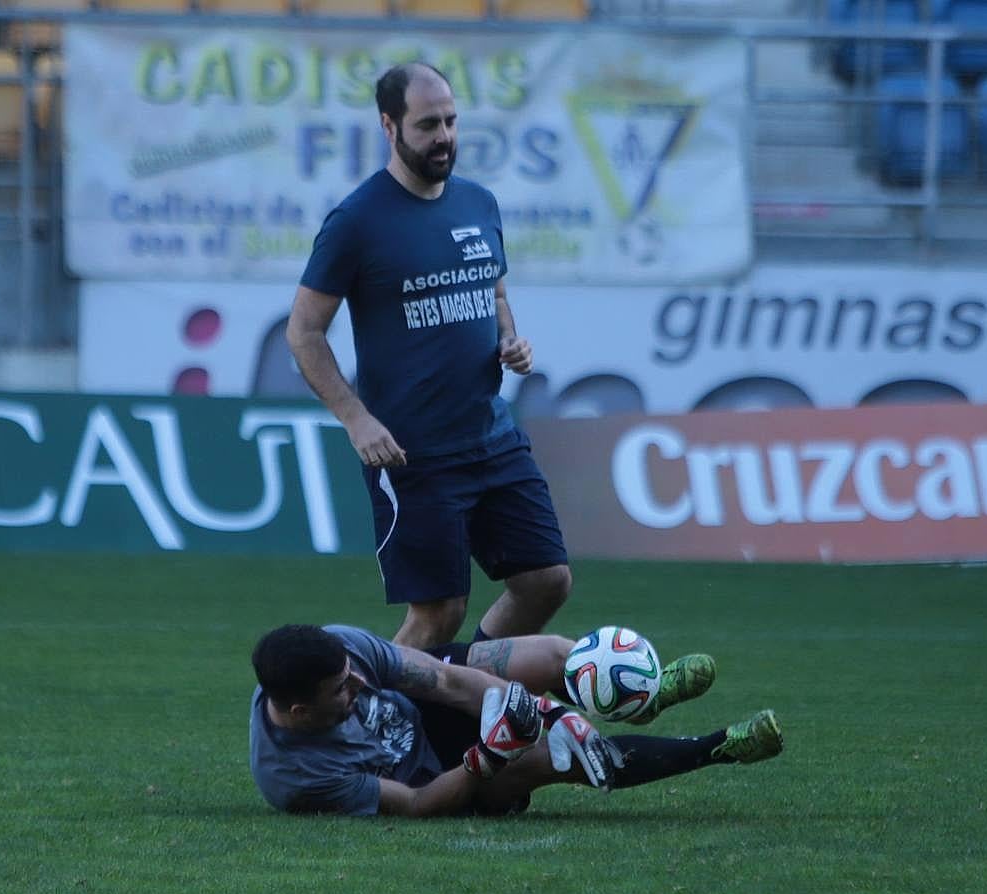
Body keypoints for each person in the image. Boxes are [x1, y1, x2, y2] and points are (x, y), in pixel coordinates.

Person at [285, 61, 570, 649]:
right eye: (427, 125)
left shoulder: (479, 204)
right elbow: (304, 332)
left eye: (451, 121)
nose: (444, 136)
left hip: (493, 438)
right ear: (389, 128)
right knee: (439, 612)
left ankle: (461, 692)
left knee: (545, 581)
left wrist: (509, 341)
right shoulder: (357, 221)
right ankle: (373, 723)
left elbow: (493, 290)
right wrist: (357, 420)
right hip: (415, 454)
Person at [249, 624, 783, 817]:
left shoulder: (342, 646)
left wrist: (548, 708)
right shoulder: (295, 778)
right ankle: (720, 747)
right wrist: (490, 754)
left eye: (352, 674)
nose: (360, 685)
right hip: (445, 776)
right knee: (563, 755)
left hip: (434, 707)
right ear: (300, 711)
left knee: (553, 656)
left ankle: (638, 696)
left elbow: (450, 682)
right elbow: (413, 804)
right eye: (343, 689)